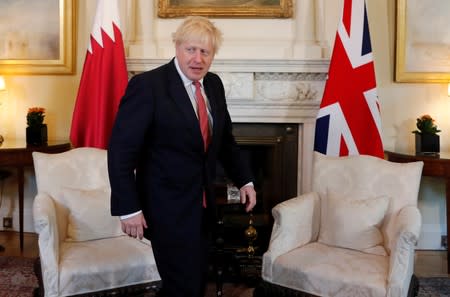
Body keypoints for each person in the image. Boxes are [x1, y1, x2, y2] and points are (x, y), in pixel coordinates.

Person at [107, 16, 257, 297]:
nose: (197, 59)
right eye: (191, 49)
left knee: (193, 282)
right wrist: (129, 208)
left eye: (205, 52)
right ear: (177, 47)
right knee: (184, 285)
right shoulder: (148, 86)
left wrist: (245, 180)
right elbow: (121, 152)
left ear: (213, 55)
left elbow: (224, 141)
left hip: (201, 207)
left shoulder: (213, 85)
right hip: (164, 208)